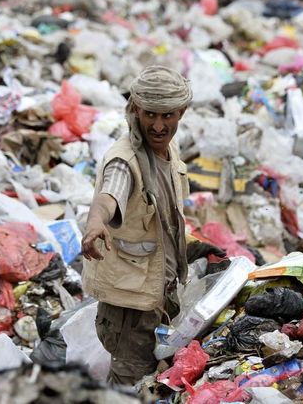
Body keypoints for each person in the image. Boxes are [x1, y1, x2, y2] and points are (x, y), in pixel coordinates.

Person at [81, 65, 223, 385]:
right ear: (135, 109)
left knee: (150, 378)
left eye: (168, 116)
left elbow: (163, 221)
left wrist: (193, 247)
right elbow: (108, 197)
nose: (158, 126)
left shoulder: (168, 151)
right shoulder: (125, 161)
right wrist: (94, 224)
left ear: (182, 113)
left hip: (158, 297)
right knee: (129, 383)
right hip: (130, 311)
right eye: (150, 115)